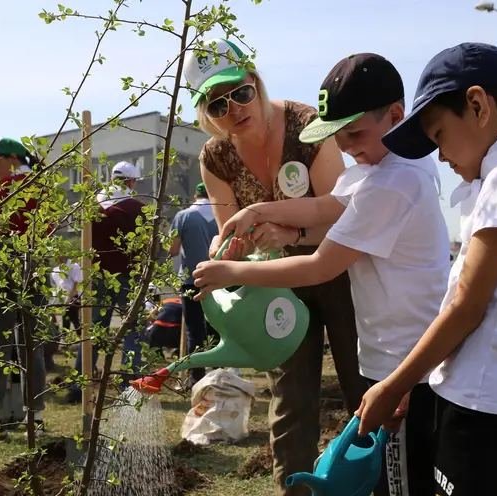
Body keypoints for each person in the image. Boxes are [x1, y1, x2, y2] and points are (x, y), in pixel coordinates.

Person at [191, 53, 451, 495]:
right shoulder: (377, 170)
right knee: (319, 414)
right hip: (391, 350)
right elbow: (324, 204)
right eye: (217, 105)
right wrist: (256, 211)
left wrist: (233, 270)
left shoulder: (390, 182)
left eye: (353, 134)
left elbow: (320, 265)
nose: (346, 147)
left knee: (402, 470)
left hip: (403, 357)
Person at [354, 43, 497, 496]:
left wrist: (394, 385)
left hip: (480, 407)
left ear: (477, 105)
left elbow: (467, 307)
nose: (441, 157)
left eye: (438, 136)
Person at [184, 37, 367, 495]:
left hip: (340, 270)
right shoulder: (215, 156)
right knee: (290, 399)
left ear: (255, 81)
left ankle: (374, 483)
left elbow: (344, 217)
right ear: (206, 113)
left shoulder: (309, 125)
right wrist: (223, 259)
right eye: (217, 104)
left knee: (362, 385)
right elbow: (234, 237)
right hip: (277, 284)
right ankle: (295, 489)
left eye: (240, 93)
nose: (234, 110)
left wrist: (289, 234)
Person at [0, 137, 48, 440]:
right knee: (32, 348)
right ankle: (36, 419)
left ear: (13, 158)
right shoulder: (44, 187)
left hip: (3, 270)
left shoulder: (8, 187)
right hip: (35, 268)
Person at [66, 161, 146, 403]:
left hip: (96, 277)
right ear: (131, 182)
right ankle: (129, 384)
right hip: (128, 277)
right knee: (133, 331)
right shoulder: (137, 209)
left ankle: (80, 384)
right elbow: (145, 246)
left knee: (93, 332)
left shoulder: (93, 207)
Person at [168, 182, 220, 387]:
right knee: (217, 327)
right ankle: (218, 374)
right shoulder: (220, 215)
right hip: (218, 279)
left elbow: (172, 249)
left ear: (195, 196)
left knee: (194, 330)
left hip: (191, 280)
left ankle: (195, 377)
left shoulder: (183, 216)